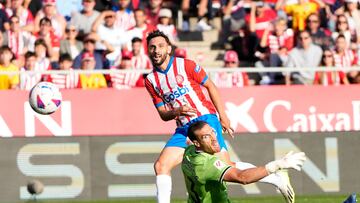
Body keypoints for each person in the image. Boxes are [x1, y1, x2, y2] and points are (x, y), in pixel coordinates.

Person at [144, 30, 297, 203]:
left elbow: (211, 86)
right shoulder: (150, 80)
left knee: (226, 168)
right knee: (161, 165)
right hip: (183, 128)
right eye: (152, 47)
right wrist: (176, 111)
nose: (156, 50)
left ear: (169, 49)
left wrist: (223, 116)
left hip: (205, 120)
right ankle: (276, 177)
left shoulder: (185, 65)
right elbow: (163, 114)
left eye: (161, 46)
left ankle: (275, 178)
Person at [182, 121, 306, 203]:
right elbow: (242, 177)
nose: (214, 138)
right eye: (206, 137)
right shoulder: (207, 164)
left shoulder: (189, 152)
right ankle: (277, 179)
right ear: (197, 143)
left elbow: (189, 143)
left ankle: (277, 180)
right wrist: (277, 165)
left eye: (213, 132)